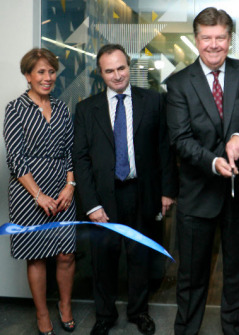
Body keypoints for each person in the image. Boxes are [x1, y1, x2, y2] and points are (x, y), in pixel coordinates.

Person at [165, 7, 239, 335]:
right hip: (198, 195)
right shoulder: (179, 83)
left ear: (230, 39)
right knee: (192, 277)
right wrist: (213, 162)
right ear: (195, 40)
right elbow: (180, 139)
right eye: (207, 38)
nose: (214, 45)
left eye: (221, 38)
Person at [72, 44, 178, 335]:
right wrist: (91, 204)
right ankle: (105, 315)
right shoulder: (86, 109)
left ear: (129, 67)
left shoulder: (154, 102)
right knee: (103, 260)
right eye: (109, 70)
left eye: (121, 68)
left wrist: (167, 192)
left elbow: (164, 150)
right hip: (103, 198)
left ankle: (139, 312)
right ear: (100, 73)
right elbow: (80, 159)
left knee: (139, 256)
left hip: (141, 192)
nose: (117, 75)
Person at [4, 48, 77, 335]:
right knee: (36, 255)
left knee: (65, 254)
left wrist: (70, 185)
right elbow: (15, 158)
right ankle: (42, 313)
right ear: (27, 76)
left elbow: (70, 150)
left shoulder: (61, 107)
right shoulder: (15, 108)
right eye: (41, 72)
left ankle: (66, 306)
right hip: (28, 191)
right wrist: (37, 195)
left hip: (62, 189)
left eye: (51, 71)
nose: (47, 77)